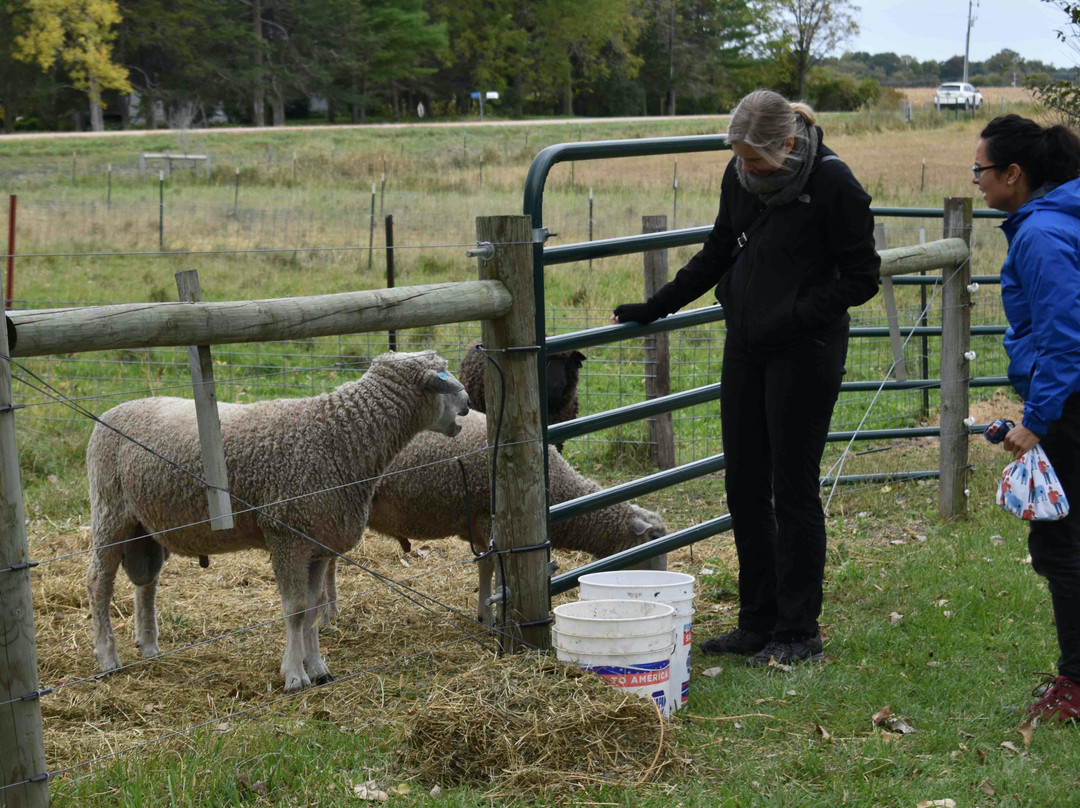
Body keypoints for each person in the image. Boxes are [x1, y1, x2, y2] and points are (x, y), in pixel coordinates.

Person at [612, 89, 880, 666]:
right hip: (748, 346)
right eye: (739, 157)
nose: (747, 168)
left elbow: (862, 279)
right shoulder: (740, 180)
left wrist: (795, 315)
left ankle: (797, 630)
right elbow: (718, 252)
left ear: (789, 143)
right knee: (745, 483)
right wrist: (656, 305)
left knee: (793, 487)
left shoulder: (835, 186)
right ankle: (756, 621)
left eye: (756, 159)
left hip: (805, 350)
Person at [972, 114, 1080, 721]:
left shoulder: (1041, 235)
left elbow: (1065, 335)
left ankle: (1076, 684)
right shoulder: (1063, 219)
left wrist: (1037, 418)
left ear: (1015, 174)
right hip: (1068, 395)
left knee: (1059, 540)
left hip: (1070, 402)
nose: (978, 181)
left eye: (982, 170)